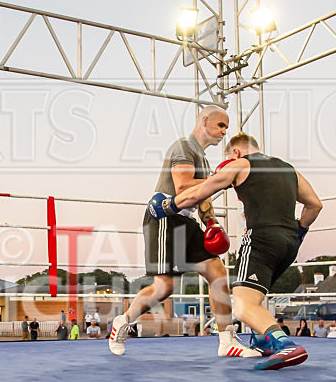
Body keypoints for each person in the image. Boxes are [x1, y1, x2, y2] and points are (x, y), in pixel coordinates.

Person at [142, 130, 323, 370]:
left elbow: (198, 192)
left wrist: (167, 205)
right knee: (254, 296)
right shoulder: (289, 170)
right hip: (289, 244)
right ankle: (262, 340)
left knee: (243, 306)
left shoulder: (240, 165)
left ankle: (284, 344)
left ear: (236, 152)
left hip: (261, 240)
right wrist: (298, 232)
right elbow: (315, 205)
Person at [110, 109, 261, 361]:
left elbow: (202, 199)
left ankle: (226, 340)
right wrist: (223, 178)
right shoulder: (184, 146)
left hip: (186, 220)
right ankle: (122, 322)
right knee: (164, 287)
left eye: (227, 127)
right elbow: (182, 186)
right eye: (221, 125)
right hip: (164, 217)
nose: (225, 132)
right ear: (205, 122)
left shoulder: (204, 159)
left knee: (217, 272)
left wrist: (212, 223)